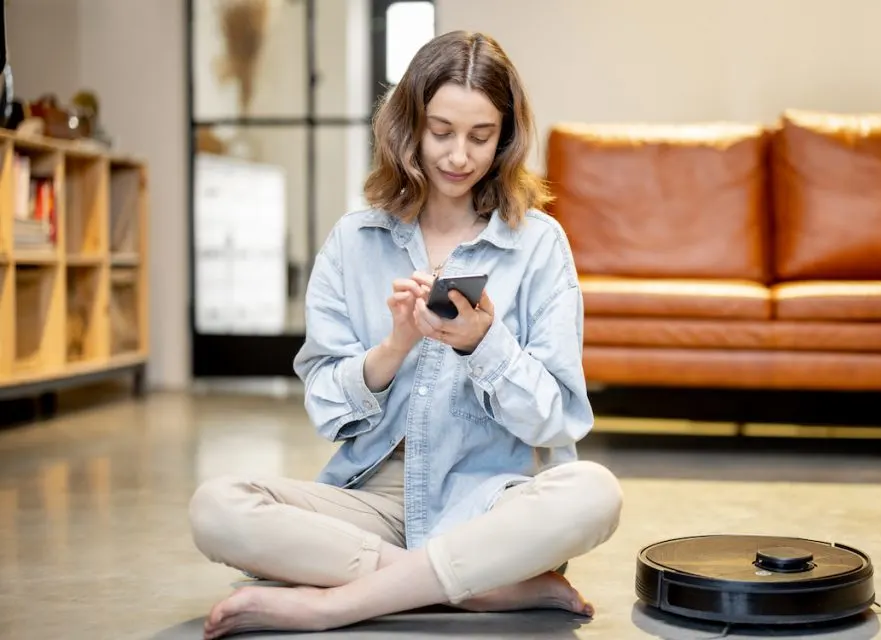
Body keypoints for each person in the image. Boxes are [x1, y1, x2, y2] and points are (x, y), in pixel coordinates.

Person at [187, 30, 623, 639]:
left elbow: (557, 423)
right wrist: (393, 349)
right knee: (217, 506)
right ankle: (476, 590)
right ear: (410, 125)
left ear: (505, 138)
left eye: (480, 136)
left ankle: (335, 603)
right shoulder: (354, 240)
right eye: (441, 131)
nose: (458, 156)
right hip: (374, 502)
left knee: (593, 493)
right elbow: (325, 408)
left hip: (491, 503)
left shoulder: (540, 243)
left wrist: (482, 344)